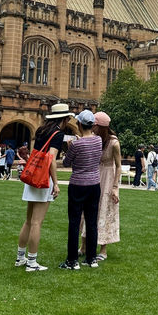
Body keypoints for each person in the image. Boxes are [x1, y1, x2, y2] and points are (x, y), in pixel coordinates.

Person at [16, 102, 73, 272]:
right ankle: (32, 262)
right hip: (42, 179)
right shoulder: (57, 134)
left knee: (28, 220)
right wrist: (55, 183)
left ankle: (20, 257)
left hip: (32, 177)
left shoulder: (41, 130)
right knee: (36, 223)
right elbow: (51, 159)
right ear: (64, 119)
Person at [60, 109, 103, 270]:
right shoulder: (98, 140)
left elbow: (66, 162)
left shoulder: (76, 144)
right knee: (92, 223)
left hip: (78, 184)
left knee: (74, 222)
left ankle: (72, 260)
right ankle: (91, 258)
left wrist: (70, 146)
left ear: (79, 124)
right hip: (94, 184)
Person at [80, 111, 122, 261]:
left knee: (104, 210)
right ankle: (83, 246)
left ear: (101, 127)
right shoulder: (94, 139)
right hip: (94, 175)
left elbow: (118, 166)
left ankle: (103, 249)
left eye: (95, 126)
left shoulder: (114, 143)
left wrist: (115, 187)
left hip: (108, 178)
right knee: (87, 210)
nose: (92, 128)